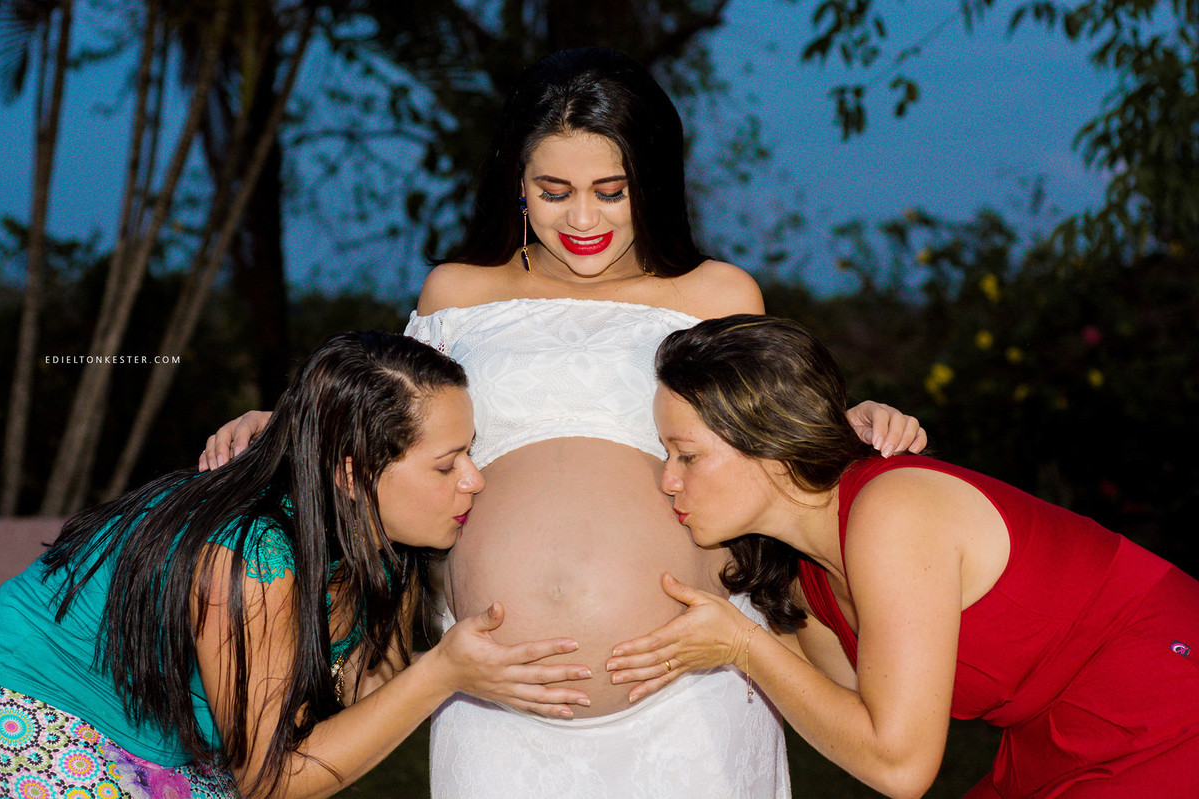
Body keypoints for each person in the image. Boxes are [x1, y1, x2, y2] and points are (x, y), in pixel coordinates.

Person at [200, 48, 925, 798]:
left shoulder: (716, 291)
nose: (583, 219)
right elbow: (392, 429)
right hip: (496, 696)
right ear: (517, 182)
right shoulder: (458, 293)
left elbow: (767, 433)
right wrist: (288, 427)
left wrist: (853, 423)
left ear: (653, 182)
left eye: (612, 191)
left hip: (691, 694)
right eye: (555, 190)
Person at [606, 314, 1199, 798]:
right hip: (1052, 738)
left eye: (686, 455)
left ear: (771, 448)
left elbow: (900, 768)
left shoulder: (893, 511)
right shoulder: (803, 584)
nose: (667, 480)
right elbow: (854, 725)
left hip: (1164, 700)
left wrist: (743, 645)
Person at [0, 332, 592, 799]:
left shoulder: (379, 550)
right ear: (351, 474)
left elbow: (360, 716)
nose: (474, 479)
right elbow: (273, 780)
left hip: (169, 748)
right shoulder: (249, 554)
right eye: (447, 465)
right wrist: (441, 673)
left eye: (471, 452)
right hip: (33, 715)